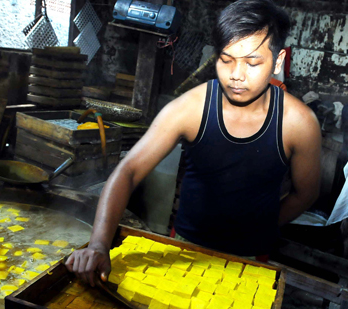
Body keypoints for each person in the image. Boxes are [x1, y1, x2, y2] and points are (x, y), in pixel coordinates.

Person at [66, 0, 321, 286]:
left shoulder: (299, 122)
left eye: (252, 63)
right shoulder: (190, 108)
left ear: (277, 61)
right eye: (226, 60)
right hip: (186, 247)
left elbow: (306, 193)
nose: (237, 75)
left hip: (252, 257)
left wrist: (262, 227)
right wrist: (99, 244)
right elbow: (128, 171)